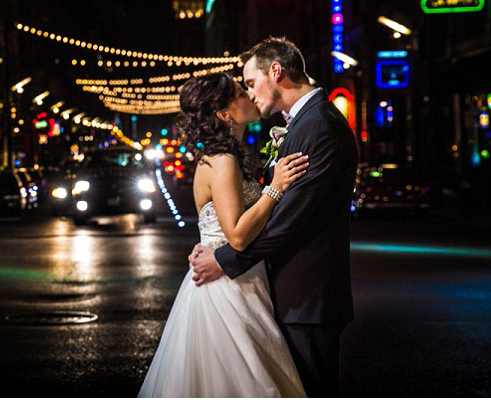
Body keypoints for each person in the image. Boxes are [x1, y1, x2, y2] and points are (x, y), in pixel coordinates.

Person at [189, 37, 358, 397]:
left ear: (276, 72)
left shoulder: (319, 126)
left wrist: (223, 258)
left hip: (308, 297)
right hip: (282, 294)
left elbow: (289, 219)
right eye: (243, 89)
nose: (250, 94)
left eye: (250, 83)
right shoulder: (302, 124)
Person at [139, 72, 309, 397]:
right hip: (230, 289)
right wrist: (274, 188)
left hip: (234, 278)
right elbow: (238, 237)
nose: (249, 94)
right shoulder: (222, 161)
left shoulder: (224, 158)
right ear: (224, 114)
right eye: (239, 92)